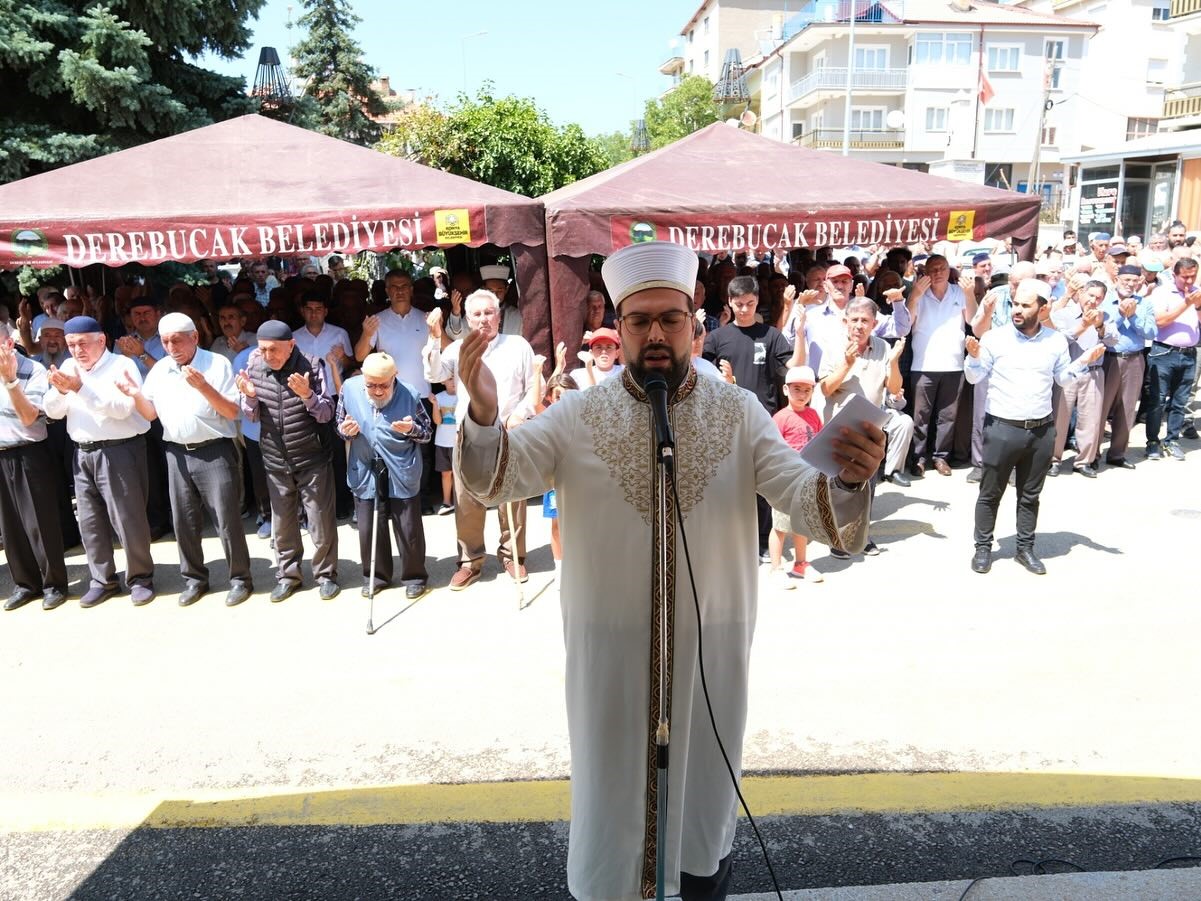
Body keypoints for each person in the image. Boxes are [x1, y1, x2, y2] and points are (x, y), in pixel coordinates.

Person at [455, 240, 883, 901]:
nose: (655, 334)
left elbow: (804, 498)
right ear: (619, 326)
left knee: (700, 820)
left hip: (707, 660)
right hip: (609, 664)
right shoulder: (579, 412)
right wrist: (482, 413)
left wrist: (850, 478)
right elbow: (494, 478)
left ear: (695, 321)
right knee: (610, 810)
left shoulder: (736, 413)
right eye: (639, 320)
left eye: (670, 319)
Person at [965, 279, 1105, 576]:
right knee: (991, 493)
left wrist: (1083, 361)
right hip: (1002, 428)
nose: (1017, 309)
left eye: (1025, 305)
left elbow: (1063, 379)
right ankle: (983, 548)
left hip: (1041, 431)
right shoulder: (994, 338)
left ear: (1043, 308)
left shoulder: (1055, 341)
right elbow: (975, 378)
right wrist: (974, 357)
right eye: (1015, 303)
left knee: (1030, 495)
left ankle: (1025, 549)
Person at [118, 313, 253, 607]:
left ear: (194, 337)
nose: (170, 346)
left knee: (226, 519)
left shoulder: (216, 364)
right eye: (165, 341)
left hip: (214, 449)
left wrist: (203, 386)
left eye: (176, 340)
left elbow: (232, 412)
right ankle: (194, 579)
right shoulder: (160, 369)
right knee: (184, 520)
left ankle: (240, 578)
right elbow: (150, 413)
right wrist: (133, 394)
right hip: (176, 452)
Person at [424, 289, 535, 589]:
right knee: (466, 500)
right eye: (477, 314)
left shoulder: (518, 346)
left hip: (509, 433)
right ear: (468, 319)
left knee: (512, 499)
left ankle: (513, 556)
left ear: (499, 315)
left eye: (489, 312)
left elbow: (531, 388)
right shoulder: (457, 349)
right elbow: (434, 374)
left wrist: (520, 415)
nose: (484, 319)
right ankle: (470, 561)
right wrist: (434, 338)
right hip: (469, 435)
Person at [43, 316, 156, 607]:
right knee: (90, 522)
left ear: (101, 340)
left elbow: (121, 409)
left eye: (82, 344)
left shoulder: (122, 365)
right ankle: (102, 580)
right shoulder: (69, 367)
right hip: (82, 450)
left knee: (127, 518)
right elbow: (52, 413)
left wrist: (80, 389)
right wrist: (60, 390)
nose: (77, 351)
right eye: (71, 345)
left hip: (120, 449)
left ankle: (140, 578)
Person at [235, 320, 340, 602]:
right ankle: (288, 576)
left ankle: (326, 575)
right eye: (263, 350)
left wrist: (307, 395)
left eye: (274, 350)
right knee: (282, 524)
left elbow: (327, 413)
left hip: (311, 455)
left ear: (291, 345)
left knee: (319, 520)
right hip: (274, 457)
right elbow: (252, 415)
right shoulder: (254, 367)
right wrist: (249, 397)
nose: (268, 356)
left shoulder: (312, 364)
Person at [337, 353, 432, 600]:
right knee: (369, 526)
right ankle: (376, 576)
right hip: (365, 465)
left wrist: (412, 429)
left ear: (394, 377)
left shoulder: (410, 394)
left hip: (401, 465)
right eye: (371, 385)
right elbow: (339, 425)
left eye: (384, 385)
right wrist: (346, 431)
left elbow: (427, 433)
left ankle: (414, 577)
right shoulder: (349, 389)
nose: (377, 391)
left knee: (408, 526)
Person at [0, 338, 68, 612]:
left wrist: (10, 380)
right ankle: (26, 584)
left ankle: (54, 585)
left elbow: (29, 417)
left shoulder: (34, 370)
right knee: (10, 526)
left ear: (7, 342)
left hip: (29, 451)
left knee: (40, 522)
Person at [906, 254, 978, 478]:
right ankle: (918, 458)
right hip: (923, 364)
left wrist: (969, 294)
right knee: (921, 417)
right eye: (933, 269)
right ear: (926, 272)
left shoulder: (958, 292)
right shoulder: (919, 292)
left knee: (947, 416)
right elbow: (906, 324)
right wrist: (915, 295)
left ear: (949, 270)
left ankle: (941, 457)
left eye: (942, 268)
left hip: (953, 364)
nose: (938, 273)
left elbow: (973, 321)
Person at [1049, 281, 1117, 478]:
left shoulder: (1104, 316)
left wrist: (1100, 325)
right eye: (1090, 295)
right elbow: (1059, 341)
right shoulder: (1064, 314)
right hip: (1067, 371)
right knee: (1060, 417)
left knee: (1091, 418)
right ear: (1080, 293)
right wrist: (1083, 325)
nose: (1093, 301)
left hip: (1094, 371)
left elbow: (1114, 340)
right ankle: (1053, 459)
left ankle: (1083, 460)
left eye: (1098, 298)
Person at [767, 365, 825, 587]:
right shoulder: (780, 417)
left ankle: (801, 564)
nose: (802, 395)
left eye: (807, 390)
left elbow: (820, 442)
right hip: (785, 481)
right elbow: (772, 449)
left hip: (808, 478)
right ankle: (776, 568)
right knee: (780, 526)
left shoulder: (813, 414)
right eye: (797, 389)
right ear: (785, 389)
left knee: (802, 524)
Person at [1143, 258, 1200, 460]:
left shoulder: (1197, 291)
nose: (1189, 280)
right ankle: (1152, 442)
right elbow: (1161, 321)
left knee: (1180, 401)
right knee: (1157, 401)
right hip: (1164, 352)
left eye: (1193, 275)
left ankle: (1172, 440)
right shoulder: (1162, 292)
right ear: (1175, 275)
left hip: (1189, 354)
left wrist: (1199, 307)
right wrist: (1187, 303)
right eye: (1185, 276)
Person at [432, 375, 459, 515]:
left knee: (460, 473)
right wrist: (435, 405)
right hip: (442, 441)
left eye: (455, 378)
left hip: (460, 441)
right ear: (442, 381)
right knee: (446, 474)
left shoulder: (464, 395)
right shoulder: (439, 397)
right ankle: (447, 502)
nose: (453, 382)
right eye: (449, 379)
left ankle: (461, 501)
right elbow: (437, 421)